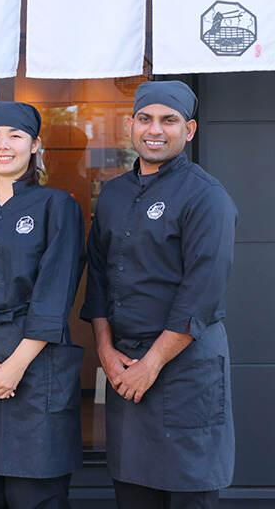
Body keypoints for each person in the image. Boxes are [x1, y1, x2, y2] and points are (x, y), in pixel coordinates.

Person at [81, 81, 237, 509]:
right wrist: (106, 353)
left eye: (169, 121)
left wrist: (150, 366)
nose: (155, 129)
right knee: (133, 493)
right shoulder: (112, 194)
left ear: (189, 130)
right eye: (146, 119)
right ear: (130, 125)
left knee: (189, 492)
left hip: (185, 371)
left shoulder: (207, 197)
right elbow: (99, 279)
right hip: (125, 369)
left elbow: (201, 296)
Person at [0, 102, 85, 509]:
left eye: (15, 136)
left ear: (35, 144)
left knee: (35, 489)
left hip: (37, 361)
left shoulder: (57, 207)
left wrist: (16, 365)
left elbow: (56, 291)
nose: (2, 145)